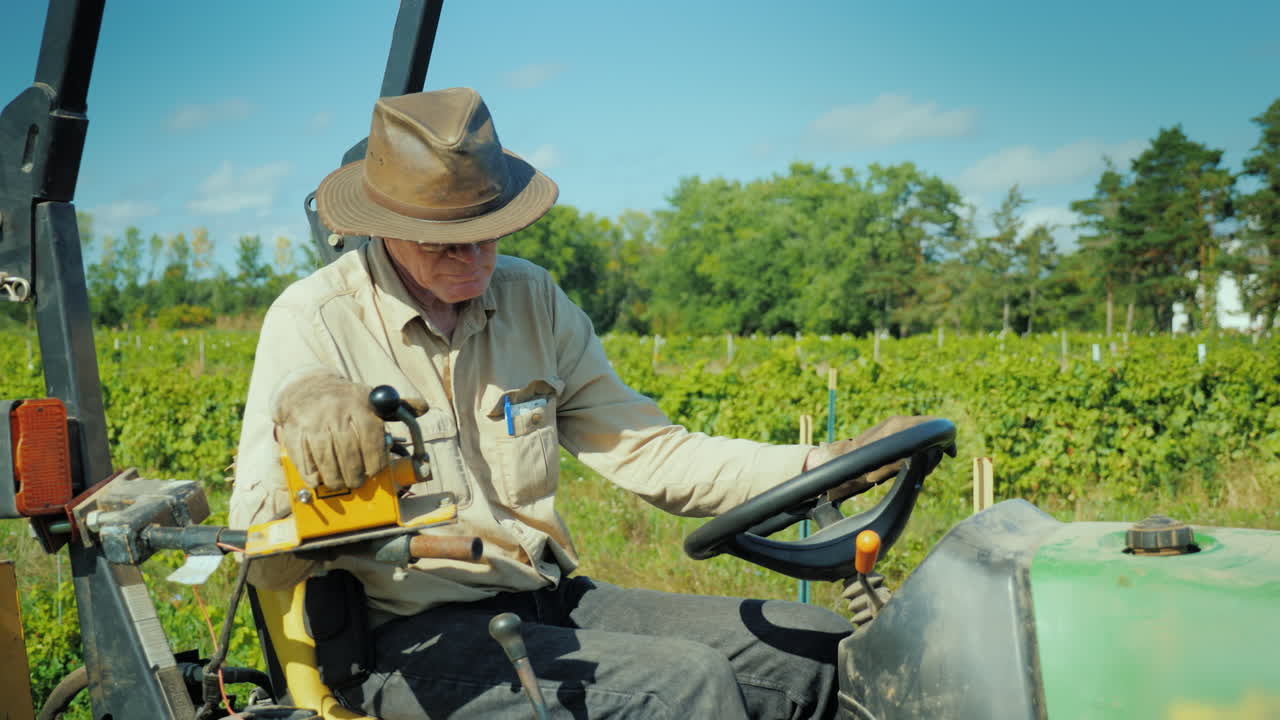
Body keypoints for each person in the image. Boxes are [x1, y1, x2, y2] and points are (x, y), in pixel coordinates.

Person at [230, 87, 924, 720]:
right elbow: (260, 554)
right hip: (409, 643)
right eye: (443, 237)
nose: (475, 255)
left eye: (488, 226)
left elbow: (652, 451)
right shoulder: (313, 323)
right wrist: (308, 424)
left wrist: (833, 459)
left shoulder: (530, 298)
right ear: (381, 226)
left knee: (815, 648)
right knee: (684, 687)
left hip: (549, 600)